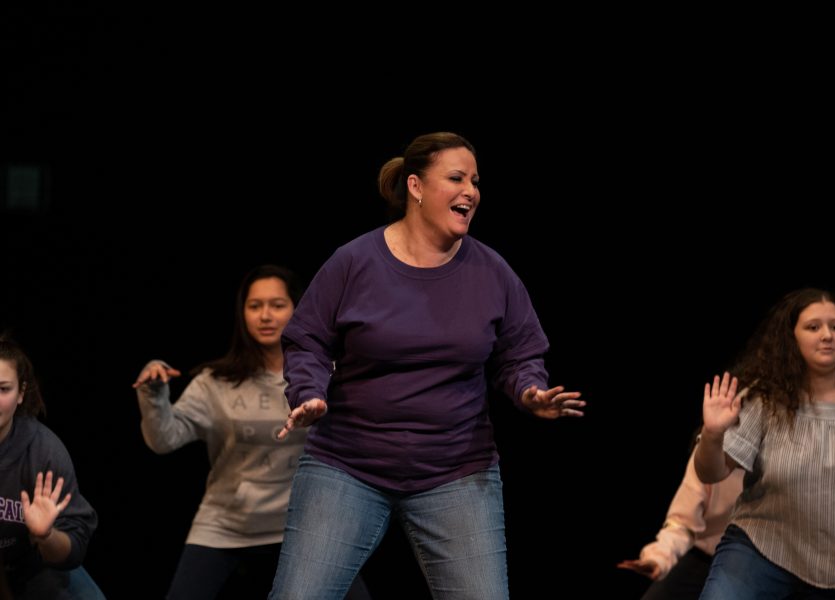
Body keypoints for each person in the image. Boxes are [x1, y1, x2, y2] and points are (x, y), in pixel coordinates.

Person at [268, 131, 586, 599]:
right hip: (349, 464)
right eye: (455, 178)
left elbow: (519, 353)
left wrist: (529, 391)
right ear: (415, 187)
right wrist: (309, 391)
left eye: (475, 181)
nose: (470, 192)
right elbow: (307, 340)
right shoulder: (354, 262)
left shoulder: (491, 271)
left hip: (455, 471)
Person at [133, 266, 369, 600]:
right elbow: (163, 440)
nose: (265, 316)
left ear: (297, 309)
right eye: (255, 306)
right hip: (227, 525)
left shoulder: (322, 374)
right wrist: (154, 395)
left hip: (305, 527)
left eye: (277, 305)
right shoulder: (215, 381)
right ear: (242, 313)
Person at [694, 288, 835, 599]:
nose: (827, 335)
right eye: (813, 327)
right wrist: (712, 434)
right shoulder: (765, 399)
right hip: (762, 552)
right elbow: (712, 472)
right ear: (792, 337)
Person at [0, 337, 104, 599]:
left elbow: (73, 548)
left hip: (33, 562)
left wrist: (46, 535)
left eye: (3, 389)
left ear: (21, 392)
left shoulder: (44, 450)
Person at [618, 443, 744, 600]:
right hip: (704, 557)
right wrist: (659, 557)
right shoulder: (711, 448)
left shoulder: (778, 455)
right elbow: (683, 521)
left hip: (750, 566)